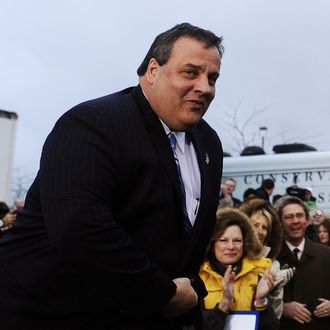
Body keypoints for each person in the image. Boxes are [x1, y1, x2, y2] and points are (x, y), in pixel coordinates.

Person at [0, 23, 224, 330]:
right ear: (153, 70)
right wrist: (164, 294)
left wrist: (189, 294)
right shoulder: (92, 124)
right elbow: (80, 230)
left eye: (212, 78)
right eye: (191, 72)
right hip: (56, 314)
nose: (205, 87)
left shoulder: (208, 142)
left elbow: (188, 242)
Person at [200, 208, 279, 330]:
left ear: (245, 243)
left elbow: (272, 328)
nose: (231, 247)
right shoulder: (198, 277)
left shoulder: (258, 274)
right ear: (212, 245)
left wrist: (260, 301)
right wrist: (224, 304)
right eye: (223, 241)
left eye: (237, 241)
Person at [276, 196, 330, 330]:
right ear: (280, 223)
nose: (295, 221)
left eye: (299, 215)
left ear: (307, 220)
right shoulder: (272, 258)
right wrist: (283, 308)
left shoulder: (326, 254)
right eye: (289, 216)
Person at [240, 198, 295, 318]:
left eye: (264, 227)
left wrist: (271, 294)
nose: (260, 232)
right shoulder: (231, 256)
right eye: (255, 225)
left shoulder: (273, 265)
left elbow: (276, 315)